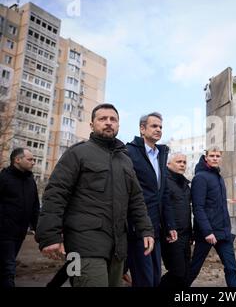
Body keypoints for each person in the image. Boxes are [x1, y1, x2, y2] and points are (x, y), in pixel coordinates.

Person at [36, 103, 154, 287]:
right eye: (102, 119)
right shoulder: (78, 153)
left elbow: (136, 199)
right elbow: (56, 193)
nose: (108, 122)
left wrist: (146, 229)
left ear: (118, 125)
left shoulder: (125, 160)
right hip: (82, 246)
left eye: (113, 119)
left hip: (117, 248)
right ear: (92, 125)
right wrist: (49, 235)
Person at [126, 112, 177, 287]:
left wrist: (169, 225)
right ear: (142, 129)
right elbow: (127, 192)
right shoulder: (129, 152)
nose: (158, 130)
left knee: (155, 279)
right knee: (144, 280)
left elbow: (163, 195)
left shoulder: (161, 155)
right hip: (137, 228)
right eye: (154, 126)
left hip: (156, 229)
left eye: (161, 127)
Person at [188, 147, 236, 287]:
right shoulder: (200, 178)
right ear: (206, 157)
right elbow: (198, 208)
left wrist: (227, 229)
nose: (215, 158)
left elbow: (220, 207)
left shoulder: (218, 177)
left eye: (218, 156)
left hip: (223, 234)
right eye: (212, 155)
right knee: (193, 269)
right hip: (207, 234)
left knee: (231, 268)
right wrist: (207, 232)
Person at [0, 148, 40, 287]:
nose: (33, 162)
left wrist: (37, 228)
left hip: (20, 232)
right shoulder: (4, 178)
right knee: (8, 268)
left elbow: (35, 206)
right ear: (17, 160)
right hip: (4, 232)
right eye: (30, 159)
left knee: (6, 266)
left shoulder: (30, 181)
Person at [160, 153, 192, 288]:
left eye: (184, 162)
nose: (182, 165)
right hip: (172, 235)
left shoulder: (184, 184)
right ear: (168, 164)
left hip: (185, 235)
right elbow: (162, 207)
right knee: (177, 273)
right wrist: (168, 228)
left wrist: (190, 233)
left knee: (185, 274)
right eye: (179, 162)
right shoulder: (164, 181)